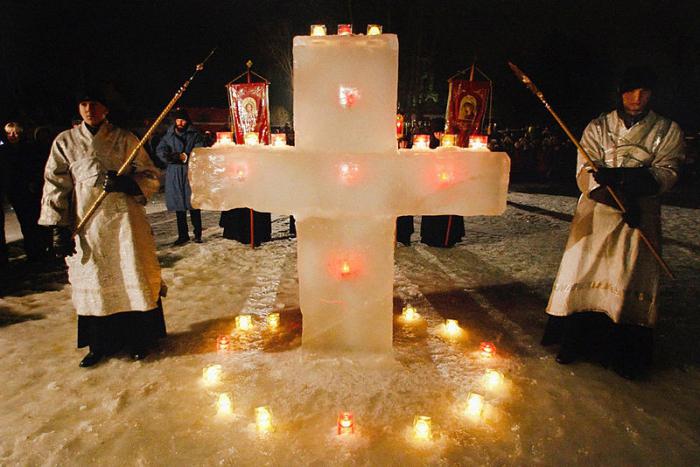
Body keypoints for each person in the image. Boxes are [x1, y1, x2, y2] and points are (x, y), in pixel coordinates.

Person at [542, 66, 685, 379]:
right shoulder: (598, 127)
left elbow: (668, 171)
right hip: (596, 215)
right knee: (586, 271)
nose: (636, 98)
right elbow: (584, 170)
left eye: (643, 91)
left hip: (637, 217)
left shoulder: (666, 129)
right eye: (630, 90)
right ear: (619, 92)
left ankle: (622, 354)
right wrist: (608, 192)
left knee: (626, 278)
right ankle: (577, 343)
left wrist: (627, 182)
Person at [39, 90, 166, 367]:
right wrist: (57, 226)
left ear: (106, 108)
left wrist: (128, 183)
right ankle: (100, 344)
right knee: (95, 279)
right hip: (88, 224)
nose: (89, 109)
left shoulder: (125, 139)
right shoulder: (65, 141)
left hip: (124, 225)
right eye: (83, 103)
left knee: (128, 274)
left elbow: (151, 174)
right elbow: (55, 184)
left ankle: (137, 339)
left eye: (94, 104)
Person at [0, 121, 51, 263]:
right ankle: (33, 252)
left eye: (15, 132)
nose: (13, 136)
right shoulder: (5, 152)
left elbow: (35, 166)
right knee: (25, 222)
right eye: (9, 133)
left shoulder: (29, 148)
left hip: (30, 189)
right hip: (15, 190)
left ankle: (38, 251)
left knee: (33, 221)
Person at [156, 108, 206, 245]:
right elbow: (160, 150)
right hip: (175, 173)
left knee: (193, 205)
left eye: (182, 120)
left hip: (190, 172)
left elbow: (199, 150)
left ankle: (197, 233)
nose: (180, 123)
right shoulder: (169, 135)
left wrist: (187, 157)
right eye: (178, 120)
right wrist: (172, 157)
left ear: (187, 121)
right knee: (179, 207)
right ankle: (182, 235)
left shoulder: (195, 135)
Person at [420, 118, 465, 247]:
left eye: (441, 132)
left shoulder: (452, 146)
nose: (439, 135)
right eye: (436, 132)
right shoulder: (428, 147)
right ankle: (431, 237)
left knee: (447, 211)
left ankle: (450, 237)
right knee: (433, 212)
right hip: (433, 185)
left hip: (449, 185)